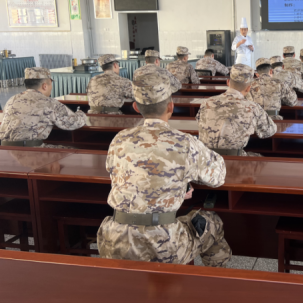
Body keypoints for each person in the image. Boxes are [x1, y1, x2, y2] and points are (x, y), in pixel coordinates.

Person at [97, 72, 231, 267]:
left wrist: (176, 188)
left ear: (136, 107)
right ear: (171, 107)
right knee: (212, 223)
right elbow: (218, 177)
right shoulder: (185, 142)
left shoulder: (119, 139)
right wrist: (181, 183)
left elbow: (125, 178)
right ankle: (217, 281)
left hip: (114, 242)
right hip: (163, 246)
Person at [196, 64, 277, 156]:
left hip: (205, 157)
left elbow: (199, 123)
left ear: (228, 82)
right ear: (248, 88)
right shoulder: (252, 107)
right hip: (234, 159)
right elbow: (269, 131)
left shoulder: (206, 102)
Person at [0, 67, 86, 149]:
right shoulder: (49, 103)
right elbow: (75, 122)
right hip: (31, 151)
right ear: (45, 86)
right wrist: (81, 113)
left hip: (5, 149)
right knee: (75, 150)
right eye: (51, 83)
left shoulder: (12, 99)